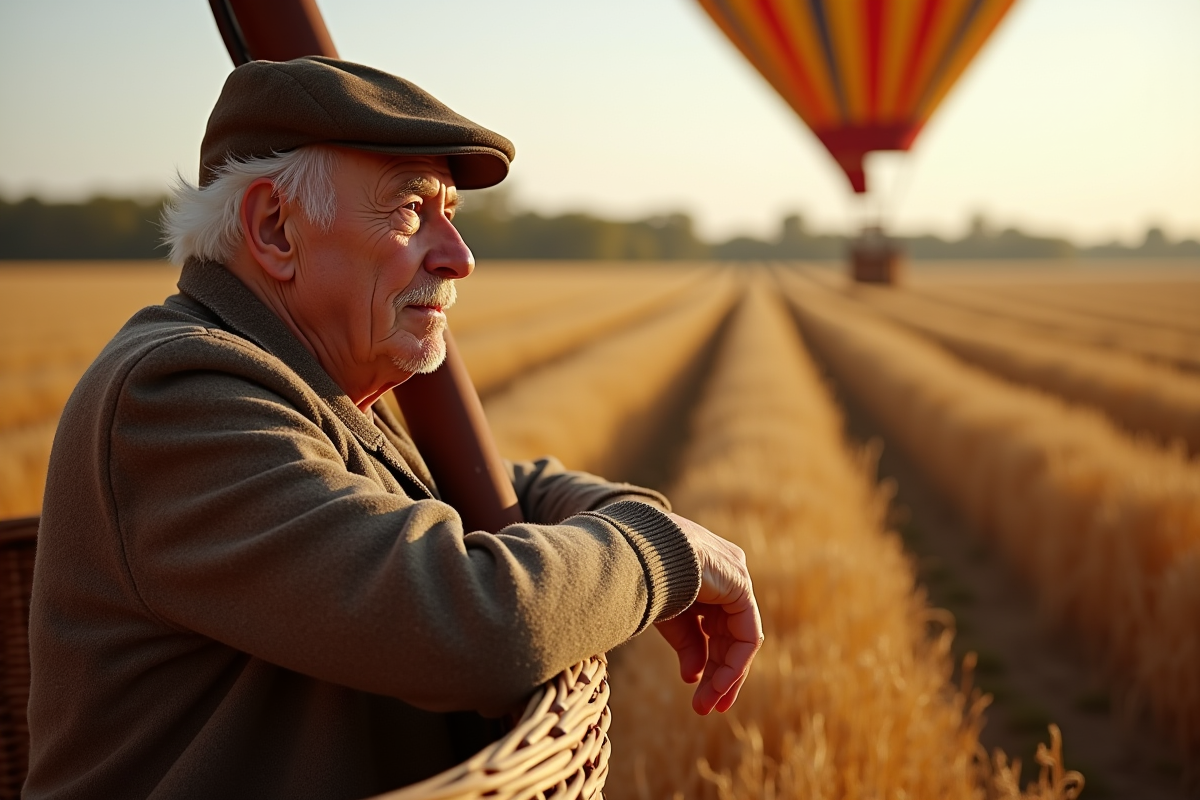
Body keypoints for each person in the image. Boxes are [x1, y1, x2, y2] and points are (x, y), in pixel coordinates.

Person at [26, 56, 762, 800]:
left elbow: (490, 489)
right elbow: (468, 626)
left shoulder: (312, 382)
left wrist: (633, 518)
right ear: (275, 228)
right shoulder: (178, 394)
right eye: (412, 207)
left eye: (453, 214)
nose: (460, 256)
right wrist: (659, 554)